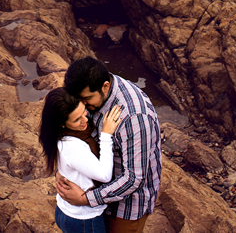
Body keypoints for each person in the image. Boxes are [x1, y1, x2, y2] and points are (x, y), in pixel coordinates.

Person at [56, 57, 162, 233]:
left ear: (105, 86)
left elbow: (133, 179)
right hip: (98, 198)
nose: (83, 105)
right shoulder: (91, 92)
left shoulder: (133, 117)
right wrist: (62, 169)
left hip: (126, 207)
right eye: (79, 100)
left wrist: (86, 198)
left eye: (87, 99)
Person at [40, 87, 125, 233]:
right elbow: (104, 175)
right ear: (62, 123)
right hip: (84, 219)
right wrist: (106, 135)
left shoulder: (59, 133)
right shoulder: (73, 146)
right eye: (76, 119)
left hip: (66, 211)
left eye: (84, 112)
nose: (85, 120)